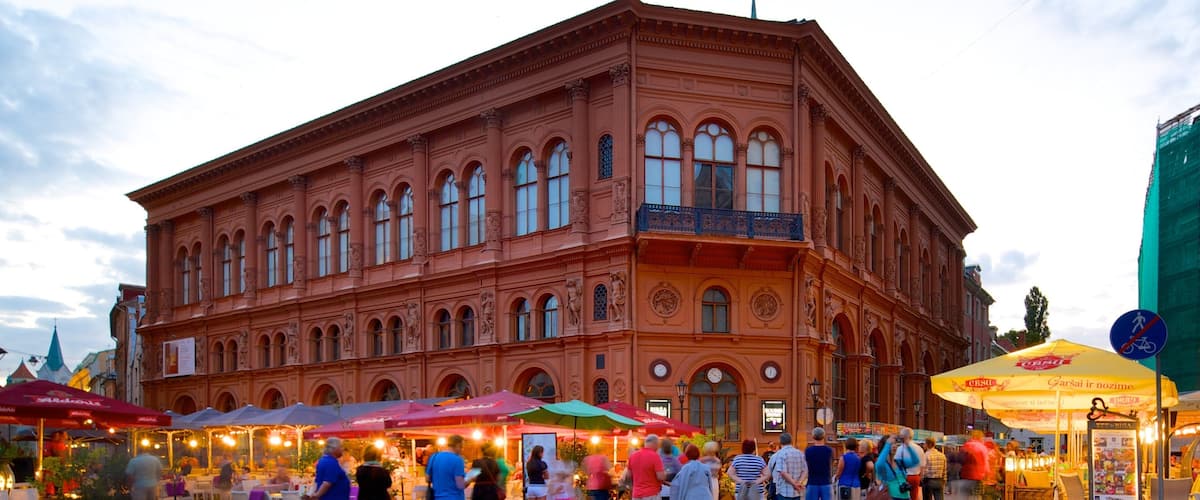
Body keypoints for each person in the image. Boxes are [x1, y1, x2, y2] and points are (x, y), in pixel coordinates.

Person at [766, 432, 806, 500]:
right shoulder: (800, 453)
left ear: (780, 442)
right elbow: (805, 470)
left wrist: (794, 484)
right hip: (797, 491)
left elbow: (783, 473)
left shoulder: (779, 454)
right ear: (791, 441)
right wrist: (799, 482)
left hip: (784, 491)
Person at [428, 435, 468, 500]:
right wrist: (471, 476)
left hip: (437, 497)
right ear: (457, 445)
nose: (462, 450)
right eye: (462, 447)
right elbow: (460, 485)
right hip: (454, 497)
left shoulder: (434, 457)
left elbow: (427, 478)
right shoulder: (458, 460)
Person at [952, 431, 988, 500]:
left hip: (965, 476)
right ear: (980, 437)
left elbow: (959, 459)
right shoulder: (982, 447)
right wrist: (986, 475)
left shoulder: (965, 446)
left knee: (964, 496)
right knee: (976, 497)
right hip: (978, 477)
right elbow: (986, 464)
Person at [629, 435, 666, 500]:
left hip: (636, 494)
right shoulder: (655, 456)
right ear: (655, 443)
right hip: (651, 494)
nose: (658, 448)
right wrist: (665, 473)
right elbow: (661, 477)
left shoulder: (633, 456)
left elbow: (628, 475)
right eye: (658, 445)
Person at [893, 429, 926, 499]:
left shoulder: (900, 449)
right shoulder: (919, 449)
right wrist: (921, 477)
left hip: (903, 477)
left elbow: (896, 464)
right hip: (916, 477)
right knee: (914, 497)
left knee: (902, 497)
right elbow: (923, 465)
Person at [803, 428, 834, 500]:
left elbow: (806, 467)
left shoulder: (808, 451)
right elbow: (831, 464)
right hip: (826, 481)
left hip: (812, 482)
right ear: (824, 436)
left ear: (813, 436)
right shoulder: (829, 450)